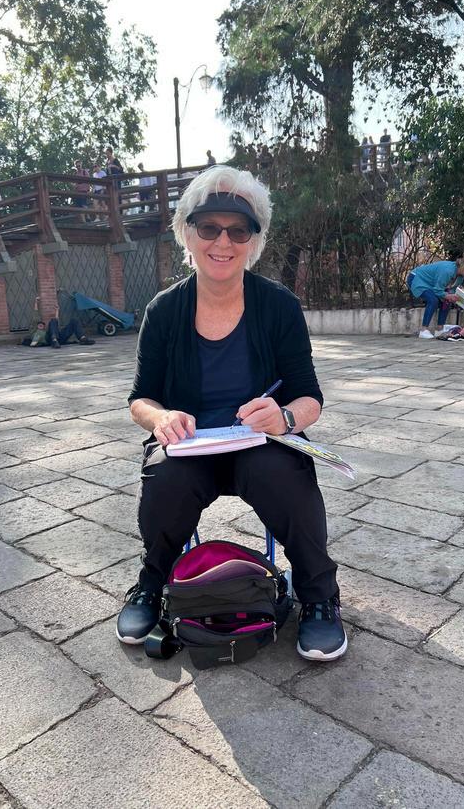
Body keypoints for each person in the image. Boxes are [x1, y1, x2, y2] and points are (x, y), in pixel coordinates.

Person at [116, 165, 347, 663]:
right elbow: (140, 399)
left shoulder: (279, 306)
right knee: (166, 477)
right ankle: (152, 583)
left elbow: (309, 398)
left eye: (238, 230)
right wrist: (161, 419)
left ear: (253, 240)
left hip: (258, 443)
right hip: (190, 445)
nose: (223, 241)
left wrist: (284, 418)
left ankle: (319, 595)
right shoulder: (163, 311)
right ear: (187, 232)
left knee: (282, 473)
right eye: (209, 227)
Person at [407, 253, 464, 338]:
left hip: (431, 283)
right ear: (463, 266)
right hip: (416, 278)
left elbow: (451, 290)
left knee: (447, 300)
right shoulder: (447, 271)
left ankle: (440, 329)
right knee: (433, 300)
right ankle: (423, 330)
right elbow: (437, 290)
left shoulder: (461, 276)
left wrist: (452, 297)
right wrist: (448, 296)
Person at [22, 297, 95, 348]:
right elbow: (35, 316)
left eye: (42, 325)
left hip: (59, 338)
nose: (41, 325)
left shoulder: (46, 331)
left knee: (73, 321)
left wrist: (57, 311)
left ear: (44, 327)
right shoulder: (34, 331)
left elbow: (55, 324)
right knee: (53, 322)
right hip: (50, 340)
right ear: (36, 326)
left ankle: (83, 339)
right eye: (39, 324)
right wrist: (36, 303)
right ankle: (54, 340)